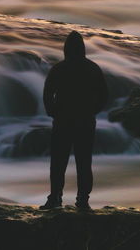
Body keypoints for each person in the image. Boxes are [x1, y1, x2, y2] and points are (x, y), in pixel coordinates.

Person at [40, 31, 108, 210]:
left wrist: (52, 111)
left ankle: (55, 198)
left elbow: (48, 93)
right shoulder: (93, 68)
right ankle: (83, 200)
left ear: (66, 49)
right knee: (84, 163)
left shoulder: (59, 69)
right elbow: (104, 96)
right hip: (85, 122)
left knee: (58, 163)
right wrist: (93, 111)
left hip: (63, 121)